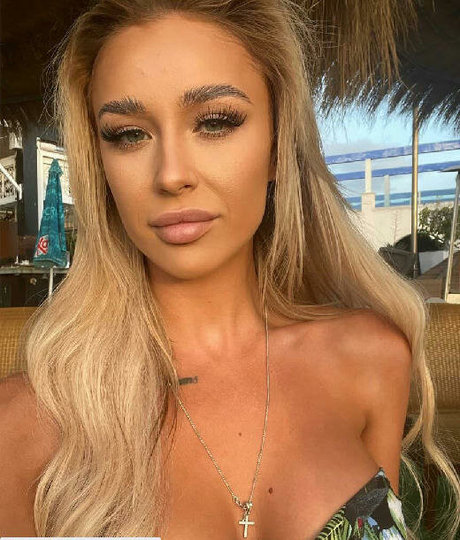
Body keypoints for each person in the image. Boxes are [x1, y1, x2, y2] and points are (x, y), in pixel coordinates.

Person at [0, 0, 459, 538]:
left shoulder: (372, 358)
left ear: (277, 145)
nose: (171, 175)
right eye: (128, 135)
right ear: (99, 165)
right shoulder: (24, 426)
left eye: (215, 122)